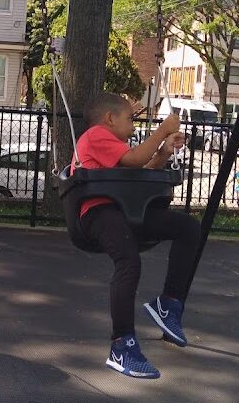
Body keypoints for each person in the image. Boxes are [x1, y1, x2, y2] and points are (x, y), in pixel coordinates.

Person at [74, 92, 200, 379]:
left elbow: (141, 170)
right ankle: (122, 345)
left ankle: (169, 303)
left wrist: (164, 152)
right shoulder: (95, 135)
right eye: (130, 119)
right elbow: (134, 159)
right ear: (109, 119)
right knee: (129, 263)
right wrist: (162, 130)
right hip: (100, 211)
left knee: (188, 228)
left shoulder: (113, 147)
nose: (133, 126)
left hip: (126, 211)